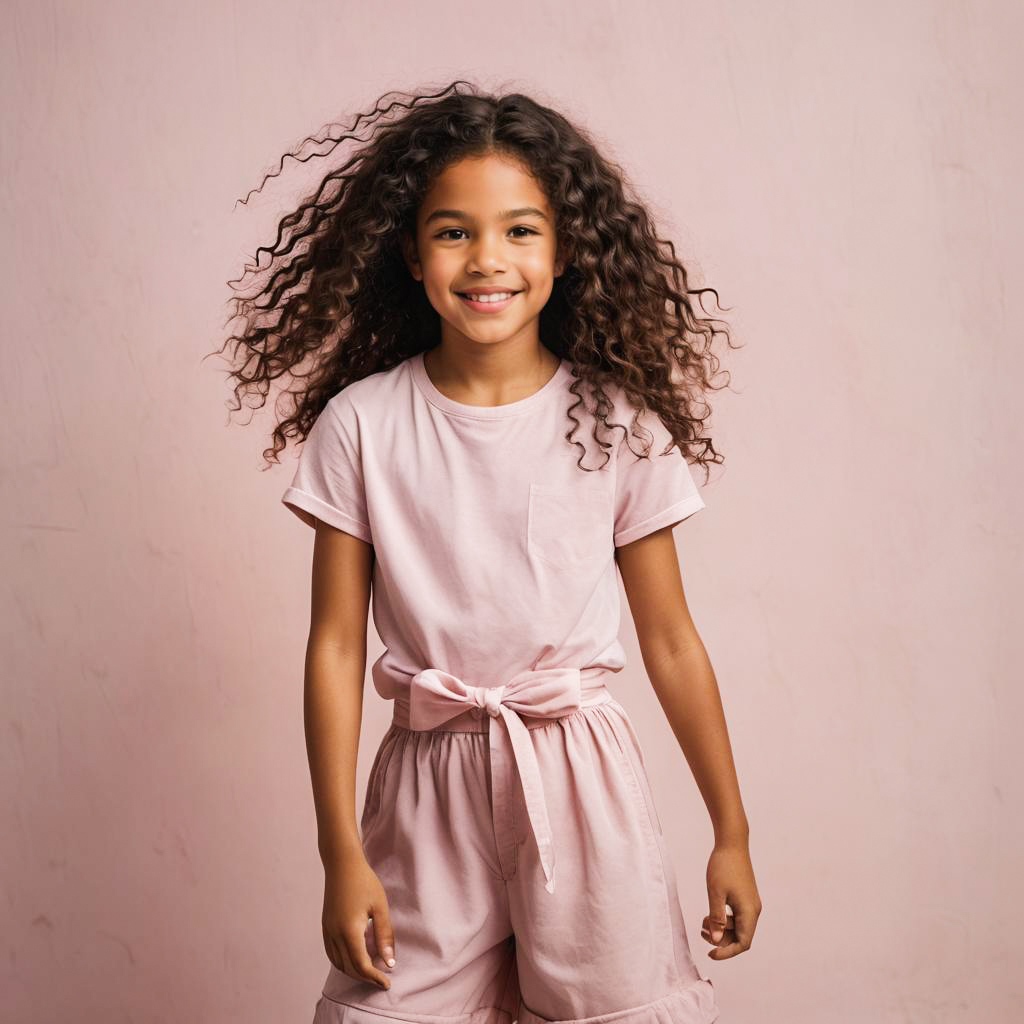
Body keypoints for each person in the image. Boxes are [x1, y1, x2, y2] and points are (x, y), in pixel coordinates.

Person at [224, 80, 760, 1024]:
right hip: (427, 782)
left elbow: (671, 640)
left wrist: (732, 831)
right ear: (409, 250)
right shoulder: (363, 425)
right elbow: (336, 647)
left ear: (564, 251)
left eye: (520, 230)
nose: (487, 260)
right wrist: (339, 851)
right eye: (452, 231)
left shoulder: (616, 422)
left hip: (581, 778)